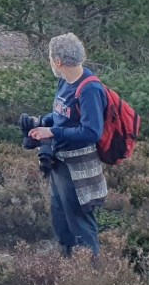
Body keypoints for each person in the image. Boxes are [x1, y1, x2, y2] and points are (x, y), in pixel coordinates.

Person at [26, 32, 108, 258]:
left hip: (79, 169)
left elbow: (91, 132)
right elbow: (62, 116)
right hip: (59, 163)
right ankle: (67, 269)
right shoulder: (64, 82)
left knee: (80, 222)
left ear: (59, 61)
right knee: (61, 218)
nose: (50, 62)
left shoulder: (90, 89)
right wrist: (41, 123)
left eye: (51, 58)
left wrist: (51, 131)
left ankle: (90, 275)